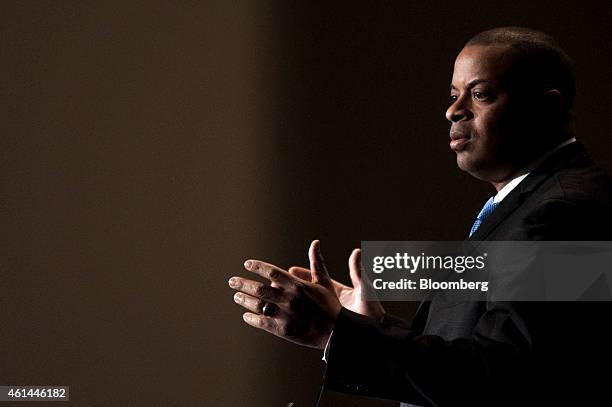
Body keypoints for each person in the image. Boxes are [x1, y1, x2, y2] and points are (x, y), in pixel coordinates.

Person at [228, 27, 612, 406]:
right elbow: (482, 350)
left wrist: (336, 330)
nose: (453, 111)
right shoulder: (528, 205)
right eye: (453, 95)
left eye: (480, 95)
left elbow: (503, 378)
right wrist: (370, 328)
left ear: (546, 108)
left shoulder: (564, 212)